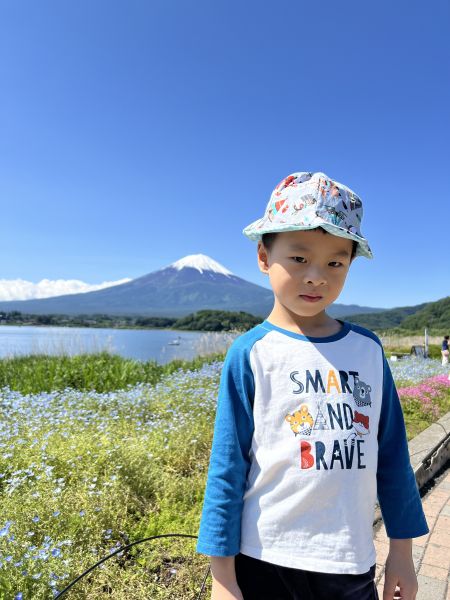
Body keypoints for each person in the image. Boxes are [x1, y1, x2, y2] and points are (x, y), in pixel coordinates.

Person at [196, 171, 428, 600]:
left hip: (349, 558)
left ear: (350, 264)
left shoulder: (367, 351)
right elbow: (227, 470)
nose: (317, 276)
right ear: (264, 257)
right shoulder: (251, 353)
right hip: (264, 559)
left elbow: (392, 455)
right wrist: (222, 577)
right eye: (299, 259)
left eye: (335, 262)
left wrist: (402, 551)